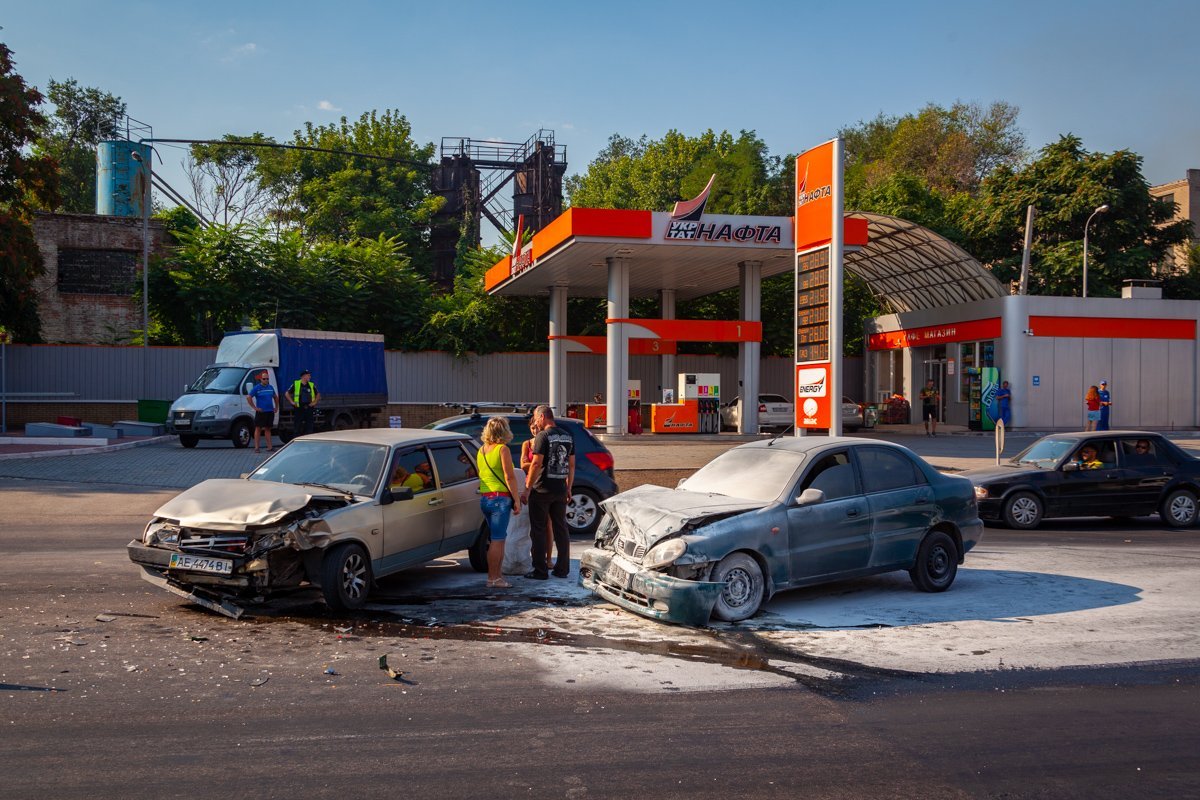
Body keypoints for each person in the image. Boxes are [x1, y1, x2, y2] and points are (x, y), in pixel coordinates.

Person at [521, 405, 575, 580]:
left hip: (541, 489)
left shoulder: (543, 436)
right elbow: (571, 465)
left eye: (536, 418)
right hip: (560, 489)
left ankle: (540, 570)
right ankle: (562, 569)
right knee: (561, 529)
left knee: (538, 530)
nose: (536, 422)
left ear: (543, 417)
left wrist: (527, 488)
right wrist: (568, 487)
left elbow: (536, 464)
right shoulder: (568, 435)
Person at [476, 416, 522, 589]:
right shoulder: (502, 449)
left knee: (496, 539)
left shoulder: (481, 450)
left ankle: (497, 576)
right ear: (504, 431)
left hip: (485, 498)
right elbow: (509, 477)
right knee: (498, 540)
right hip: (499, 499)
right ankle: (493, 578)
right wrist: (516, 499)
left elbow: (482, 473)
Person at [520, 418, 554, 573]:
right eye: (532, 428)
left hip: (545, 485)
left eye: (536, 427)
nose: (535, 430)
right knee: (533, 525)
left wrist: (536, 463)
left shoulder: (546, 441)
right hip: (530, 485)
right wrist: (538, 462)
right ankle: (535, 557)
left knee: (548, 525)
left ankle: (548, 559)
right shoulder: (527, 444)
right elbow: (523, 464)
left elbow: (538, 463)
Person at [246, 371, 277, 454]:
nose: (266, 380)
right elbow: (249, 397)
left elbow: (275, 397)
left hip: (270, 411)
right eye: (264, 379)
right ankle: (257, 447)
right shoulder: (257, 388)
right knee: (258, 428)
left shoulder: (270, 387)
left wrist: (276, 407)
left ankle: (269, 447)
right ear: (260, 379)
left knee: (268, 428)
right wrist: (255, 408)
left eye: (267, 379)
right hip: (261, 412)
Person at [285, 369, 320, 436]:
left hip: (309, 408)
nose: (310, 377)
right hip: (299, 408)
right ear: (303, 376)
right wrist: (292, 402)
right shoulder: (296, 384)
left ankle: (308, 439)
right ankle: (297, 439)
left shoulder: (311, 384)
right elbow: (287, 393)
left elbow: (318, 394)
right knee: (297, 426)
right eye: (308, 375)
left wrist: (314, 402)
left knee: (309, 426)